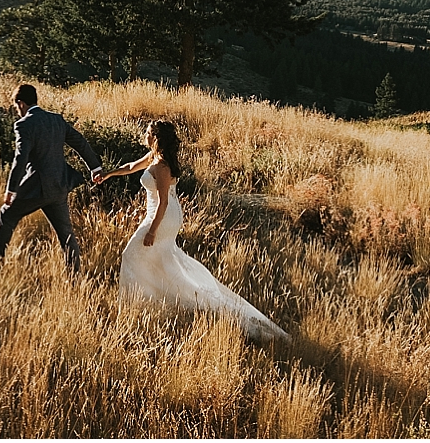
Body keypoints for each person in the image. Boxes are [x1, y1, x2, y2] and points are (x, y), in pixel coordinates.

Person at [96, 120, 290, 343]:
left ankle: (153, 303)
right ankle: (156, 303)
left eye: (149, 133)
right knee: (158, 259)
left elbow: (163, 202)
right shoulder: (154, 158)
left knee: (131, 253)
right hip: (165, 215)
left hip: (162, 217)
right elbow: (131, 167)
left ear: (157, 138)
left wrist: (152, 231)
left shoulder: (161, 166)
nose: (145, 135)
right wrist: (108, 174)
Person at [0, 83, 103, 272]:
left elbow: (20, 159)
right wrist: (95, 167)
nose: (17, 111)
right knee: (66, 234)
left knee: (7, 214)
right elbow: (79, 141)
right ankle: (75, 276)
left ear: (21, 103)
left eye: (17, 107)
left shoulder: (24, 125)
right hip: (59, 186)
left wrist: (11, 189)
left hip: (37, 188)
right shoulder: (56, 120)